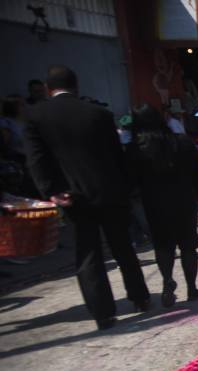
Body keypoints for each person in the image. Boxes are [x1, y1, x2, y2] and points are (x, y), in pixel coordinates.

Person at [24, 65, 150, 329]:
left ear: (49, 89)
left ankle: (103, 312)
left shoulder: (37, 116)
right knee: (123, 248)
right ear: (76, 86)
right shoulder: (99, 114)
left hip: (73, 195)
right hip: (109, 191)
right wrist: (125, 189)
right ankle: (140, 298)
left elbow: (37, 160)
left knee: (88, 253)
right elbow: (117, 156)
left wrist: (51, 191)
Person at [125, 104, 198, 307]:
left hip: (154, 202)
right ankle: (191, 287)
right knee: (188, 245)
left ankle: (167, 281)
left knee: (163, 245)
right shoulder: (181, 141)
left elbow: (129, 178)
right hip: (184, 199)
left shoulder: (136, 148)